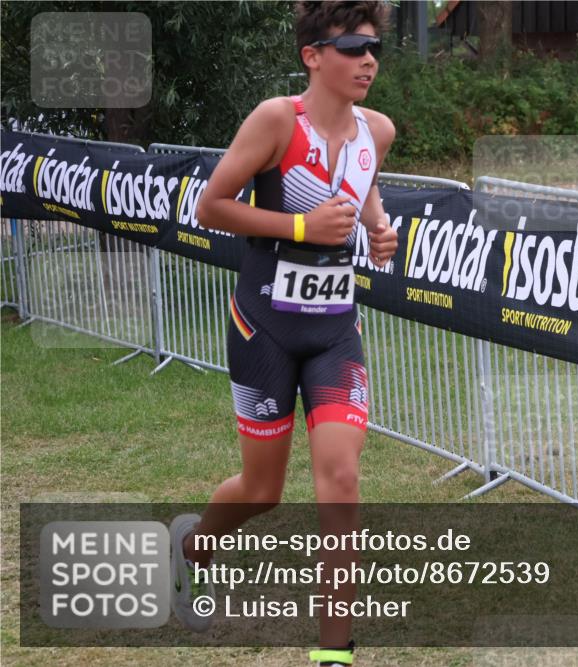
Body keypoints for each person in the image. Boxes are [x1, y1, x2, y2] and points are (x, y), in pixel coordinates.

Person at [169, 2, 397, 665]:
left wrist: (378, 232)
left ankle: (335, 654)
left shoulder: (377, 131)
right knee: (262, 491)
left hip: (334, 334)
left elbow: (364, 193)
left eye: (374, 47)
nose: (367, 59)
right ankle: (194, 546)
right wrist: (300, 229)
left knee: (341, 479)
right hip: (261, 329)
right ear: (313, 57)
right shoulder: (276, 121)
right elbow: (210, 204)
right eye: (352, 46)